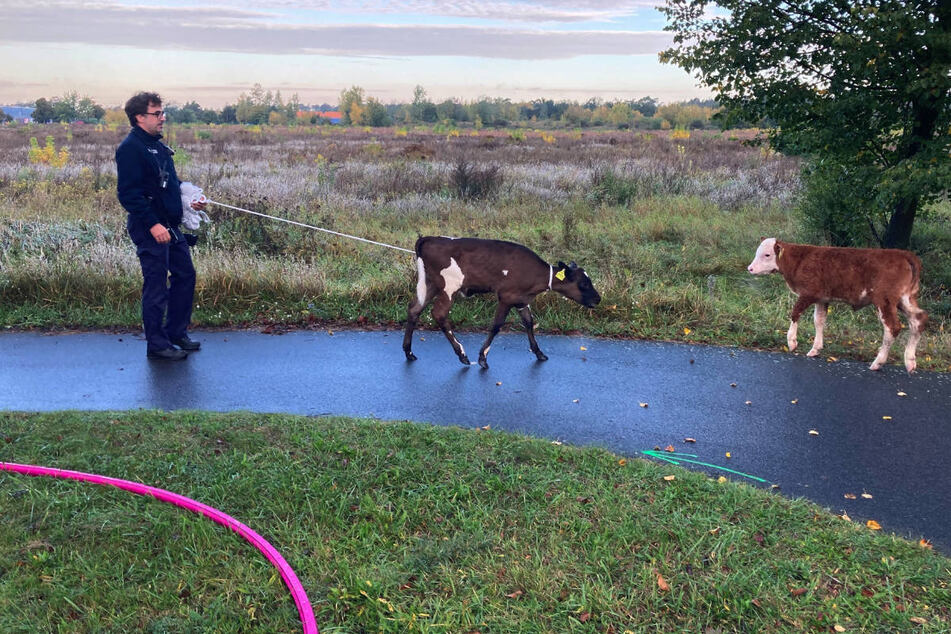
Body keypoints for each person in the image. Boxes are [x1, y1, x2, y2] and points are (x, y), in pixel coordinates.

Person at [116, 91, 206, 360]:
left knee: (185, 276)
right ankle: (157, 344)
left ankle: (176, 332)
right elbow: (128, 194)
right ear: (139, 117)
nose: (162, 118)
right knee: (156, 285)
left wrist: (191, 201)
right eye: (157, 114)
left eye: (162, 113)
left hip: (171, 226)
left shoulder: (159, 146)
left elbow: (170, 185)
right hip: (149, 228)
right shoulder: (130, 148)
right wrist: (154, 225)